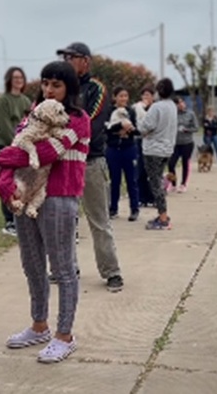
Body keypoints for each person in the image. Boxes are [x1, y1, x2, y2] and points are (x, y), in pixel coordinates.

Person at [0, 61, 90, 363]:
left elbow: (46, 152)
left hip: (60, 197)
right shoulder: (32, 115)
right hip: (26, 195)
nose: (49, 89)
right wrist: (5, 184)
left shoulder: (77, 120)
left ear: (69, 88)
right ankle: (39, 326)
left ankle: (65, 335)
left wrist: (8, 156)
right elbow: (12, 158)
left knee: (62, 268)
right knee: (32, 264)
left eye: (57, 85)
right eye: (46, 83)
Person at [56, 42, 124, 293]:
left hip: (90, 162)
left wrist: (62, 137)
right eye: (64, 56)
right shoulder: (63, 89)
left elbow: (90, 125)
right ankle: (66, 268)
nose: (66, 60)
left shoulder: (96, 89)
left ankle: (112, 272)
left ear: (85, 61)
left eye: (70, 57)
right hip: (63, 163)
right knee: (64, 219)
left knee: (99, 220)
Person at [0, 67, 32, 236]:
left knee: (22, 182)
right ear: (9, 79)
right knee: (6, 182)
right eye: (15, 77)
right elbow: (5, 126)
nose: (18, 80)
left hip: (22, 147)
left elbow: (29, 123)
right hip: (7, 147)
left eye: (21, 77)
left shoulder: (25, 100)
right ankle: (9, 221)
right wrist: (17, 144)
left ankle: (21, 215)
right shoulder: (3, 100)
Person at [140, 78, 178, 230]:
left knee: (155, 183)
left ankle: (163, 218)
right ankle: (163, 213)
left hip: (153, 150)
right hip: (167, 149)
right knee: (158, 181)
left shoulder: (156, 107)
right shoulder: (172, 106)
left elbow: (145, 127)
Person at [105, 86, 140, 221]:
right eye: (121, 96)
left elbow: (135, 129)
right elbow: (106, 129)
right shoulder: (109, 111)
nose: (124, 99)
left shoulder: (131, 111)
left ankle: (134, 209)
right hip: (113, 150)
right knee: (115, 181)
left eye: (126, 96)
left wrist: (128, 130)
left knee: (132, 180)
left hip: (129, 149)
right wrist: (119, 127)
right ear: (115, 97)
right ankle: (113, 209)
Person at [167, 96, 199, 192]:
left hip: (187, 143)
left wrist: (186, 129)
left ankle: (183, 184)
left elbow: (196, 128)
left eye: (181, 102)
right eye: (177, 103)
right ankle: (173, 184)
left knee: (185, 163)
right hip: (175, 143)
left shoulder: (190, 114)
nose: (180, 104)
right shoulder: (172, 115)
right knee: (171, 163)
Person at [134, 86, 155, 208]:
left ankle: (153, 197)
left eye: (148, 95)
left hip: (153, 142)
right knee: (140, 170)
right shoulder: (137, 108)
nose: (146, 97)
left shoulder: (155, 109)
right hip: (140, 141)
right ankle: (142, 198)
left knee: (152, 171)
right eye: (144, 95)